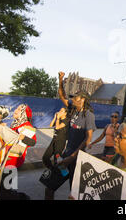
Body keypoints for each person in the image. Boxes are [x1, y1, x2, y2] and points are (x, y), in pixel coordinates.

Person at [45, 71, 96, 200]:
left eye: (76, 97)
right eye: (72, 97)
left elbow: (88, 138)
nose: (72, 99)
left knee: (74, 194)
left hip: (77, 161)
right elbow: (62, 95)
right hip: (66, 158)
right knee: (49, 187)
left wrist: (72, 157)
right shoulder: (73, 109)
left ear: (83, 99)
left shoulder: (88, 115)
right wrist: (60, 80)